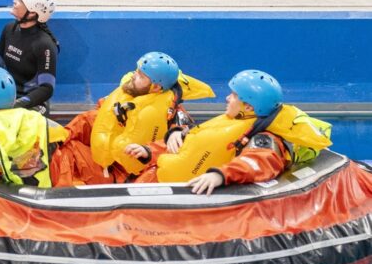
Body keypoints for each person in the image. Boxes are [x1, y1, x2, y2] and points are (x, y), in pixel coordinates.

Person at [126, 69, 332, 194]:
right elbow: (190, 146)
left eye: (233, 96)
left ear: (249, 107)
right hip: (158, 181)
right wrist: (149, 151)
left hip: (180, 195)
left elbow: (256, 163)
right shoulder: (228, 122)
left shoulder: (263, 139)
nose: (227, 99)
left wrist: (221, 175)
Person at [65, 52, 214, 180]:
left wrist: (169, 139)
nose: (134, 76)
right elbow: (94, 118)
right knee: (63, 145)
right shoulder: (128, 94)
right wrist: (64, 134)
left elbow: (188, 140)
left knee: (64, 156)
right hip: (107, 162)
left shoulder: (173, 115)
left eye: (141, 76)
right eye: (136, 70)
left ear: (155, 87)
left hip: (128, 176)